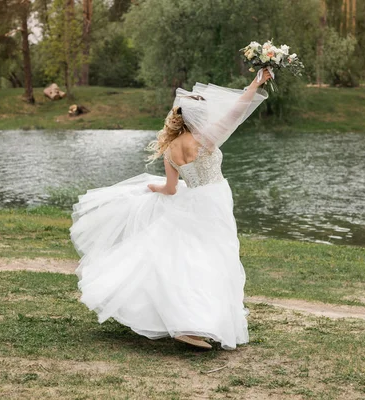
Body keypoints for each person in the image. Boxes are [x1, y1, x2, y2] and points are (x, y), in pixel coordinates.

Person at [70, 68, 272, 350]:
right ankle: (195, 322)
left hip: (194, 202)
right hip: (215, 202)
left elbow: (171, 189)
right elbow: (236, 112)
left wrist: (153, 189)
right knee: (215, 256)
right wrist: (255, 83)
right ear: (195, 117)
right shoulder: (207, 139)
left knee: (190, 256)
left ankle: (189, 321)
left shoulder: (171, 149)